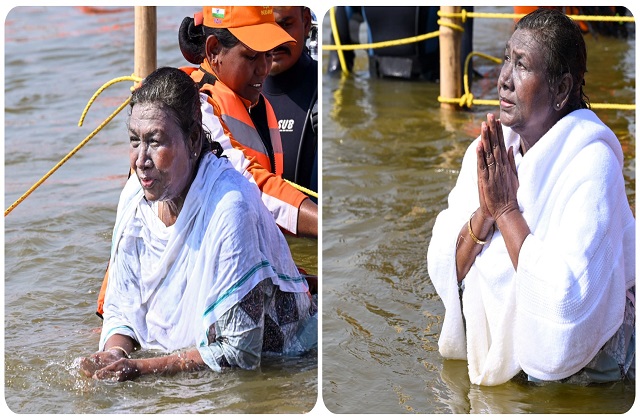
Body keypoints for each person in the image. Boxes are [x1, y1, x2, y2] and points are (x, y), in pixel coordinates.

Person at [427, 8, 635, 386]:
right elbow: (446, 268)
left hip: (591, 371)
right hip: (514, 367)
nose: (504, 78)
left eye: (522, 65)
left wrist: (507, 212)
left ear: (560, 89)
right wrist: (486, 214)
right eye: (507, 57)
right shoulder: (490, 150)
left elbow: (566, 308)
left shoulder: (593, 163)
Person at [80, 67, 317, 381]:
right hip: (196, 359)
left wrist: (143, 368)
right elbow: (122, 306)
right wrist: (115, 352)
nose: (141, 159)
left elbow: (240, 352)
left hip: (289, 361)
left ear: (193, 140)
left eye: (155, 141)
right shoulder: (134, 196)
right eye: (135, 141)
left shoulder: (230, 206)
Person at [178, 6, 318, 236]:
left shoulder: (258, 105)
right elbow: (250, 184)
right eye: (252, 56)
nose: (264, 68)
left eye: (268, 53)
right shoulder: (196, 107)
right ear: (213, 50)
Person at [263, 6, 318, 197]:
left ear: (305, 22)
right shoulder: (233, 91)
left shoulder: (323, 93)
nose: (275, 40)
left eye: (285, 25)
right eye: (265, 27)